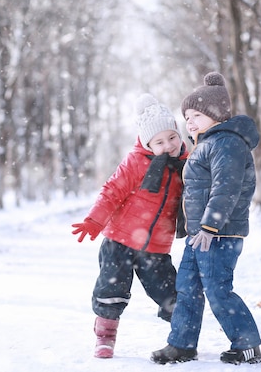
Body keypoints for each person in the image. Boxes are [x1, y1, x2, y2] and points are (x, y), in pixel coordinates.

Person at [150, 72, 261, 365]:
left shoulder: (226, 143)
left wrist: (211, 225)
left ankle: (247, 344)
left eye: (197, 114)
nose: (189, 121)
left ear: (216, 114)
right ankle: (182, 344)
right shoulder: (206, 144)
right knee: (186, 288)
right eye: (187, 115)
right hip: (199, 234)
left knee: (217, 289)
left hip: (220, 233)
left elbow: (227, 187)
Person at [72, 93, 188, 359]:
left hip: (157, 246)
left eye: (172, 137)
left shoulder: (186, 164)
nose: (168, 145)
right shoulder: (136, 161)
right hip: (119, 241)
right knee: (111, 290)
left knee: (171, 293)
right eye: (159, 142)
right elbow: (112, 191)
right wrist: (94, 220)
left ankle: (183, 336)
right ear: (147, 143)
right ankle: (105, 336)